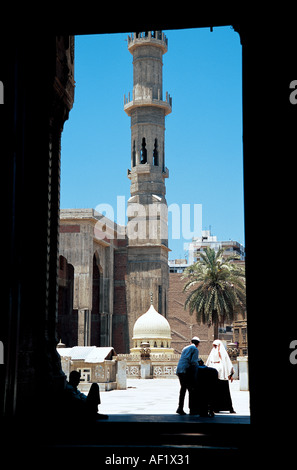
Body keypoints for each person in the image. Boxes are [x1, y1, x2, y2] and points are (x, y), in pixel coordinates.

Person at [206, 339, 236, 413]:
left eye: (216, 346)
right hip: (213, 375)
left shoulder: (223, 353)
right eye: (214, 346)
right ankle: (214, 408)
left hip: (223, 375)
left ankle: (229, 408)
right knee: (213, 393)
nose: (215, 347)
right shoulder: (212, 353)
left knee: (224, 393)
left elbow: (228, 363)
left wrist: (230, 374)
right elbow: (208, 363)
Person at [176, 337, 200, 415]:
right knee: (191, 389)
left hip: (180, 370)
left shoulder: (185, 348)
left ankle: (180, 407)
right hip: (186, 371)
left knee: (183, 389)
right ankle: (192, 409)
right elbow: (193, 362)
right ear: (198, 344)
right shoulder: (195, 349)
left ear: (190, 342)